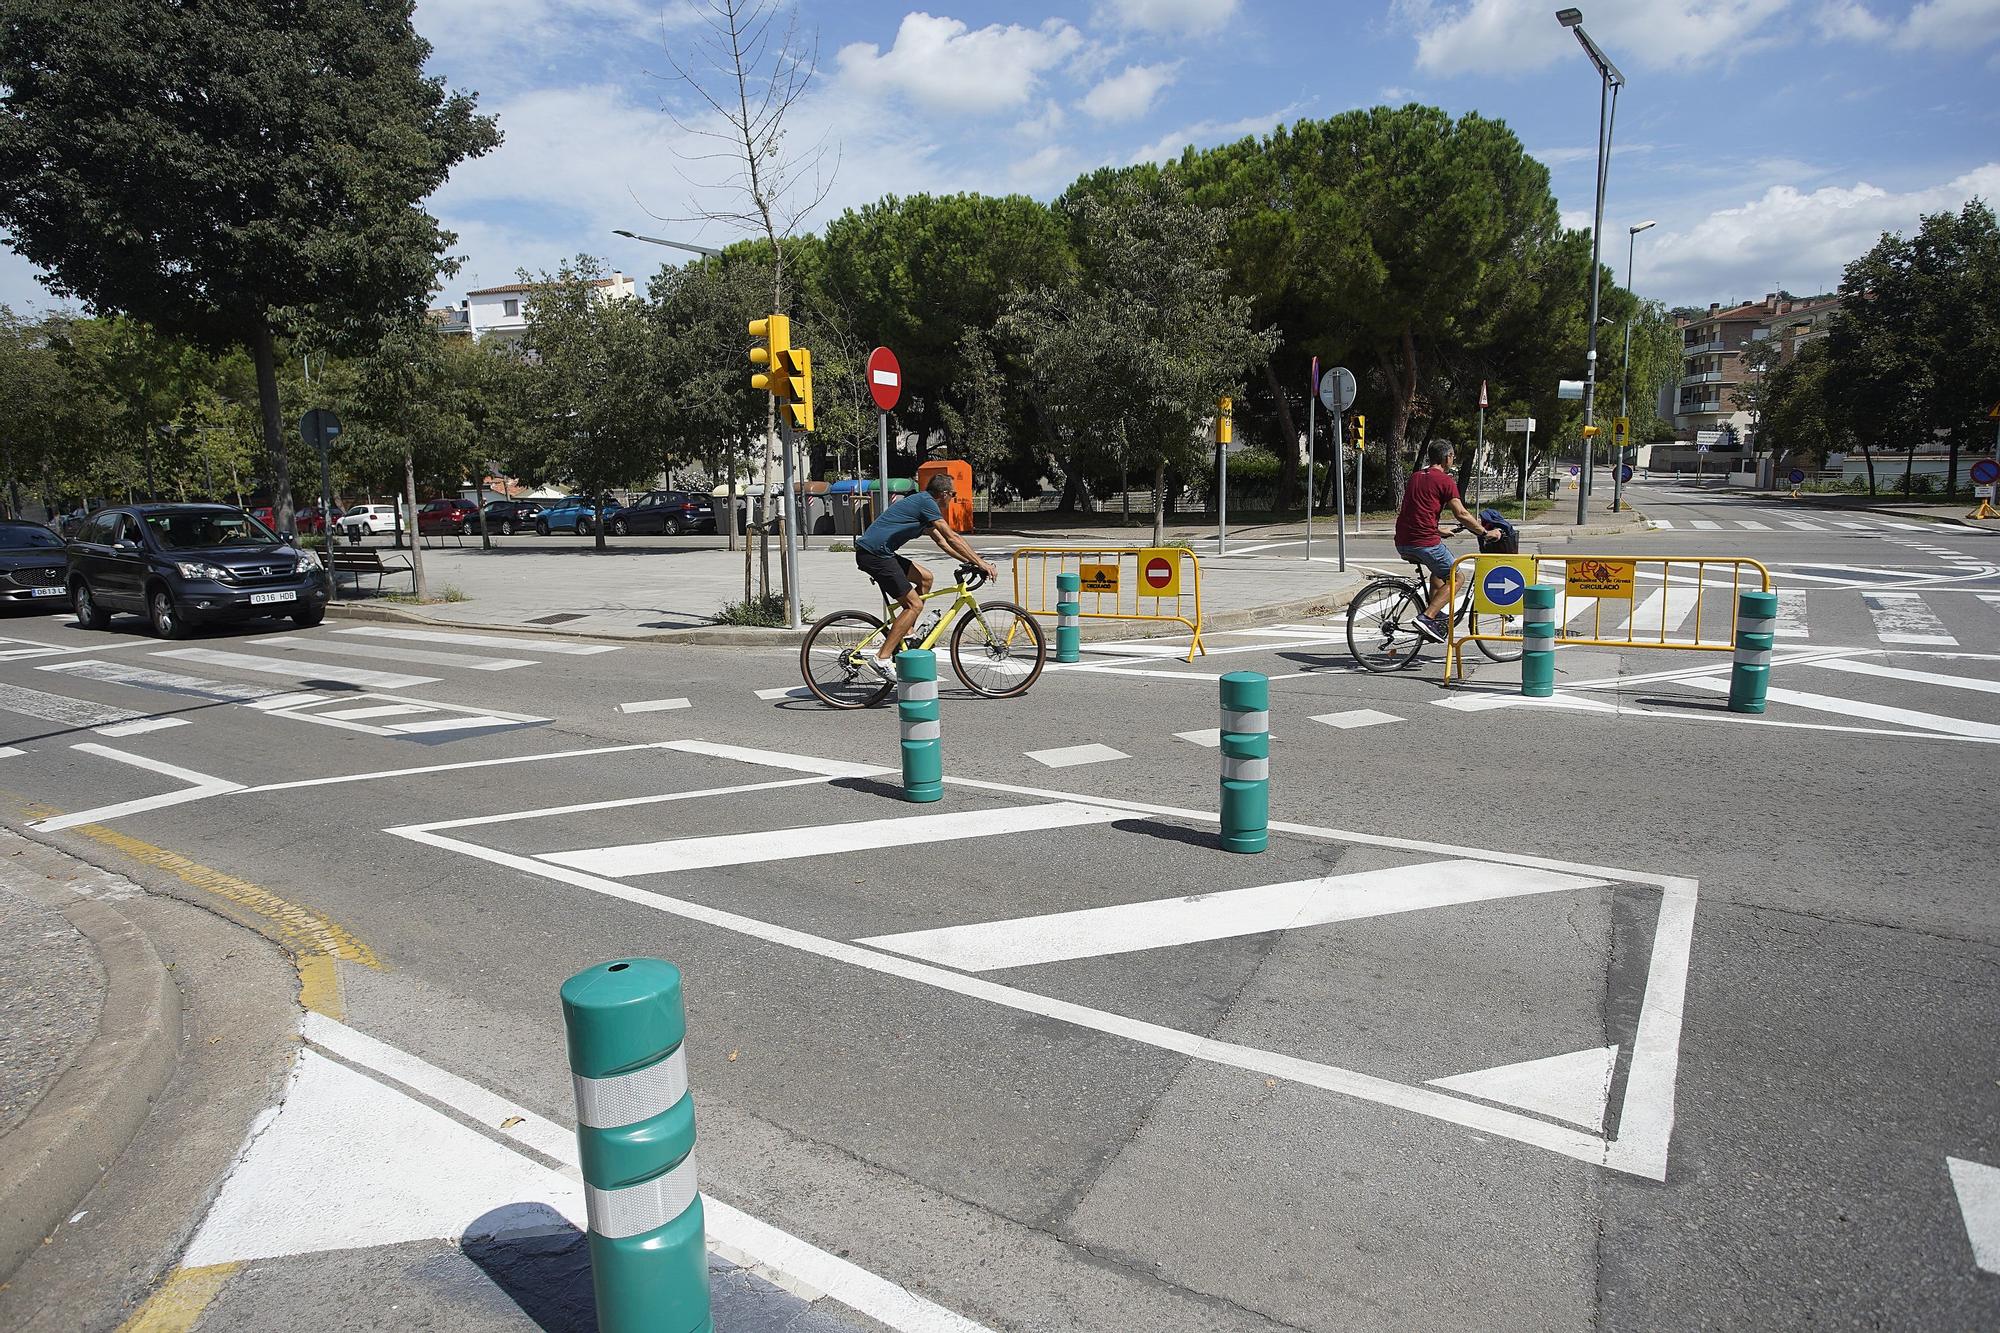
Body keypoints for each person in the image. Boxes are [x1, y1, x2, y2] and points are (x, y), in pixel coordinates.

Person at [852, 473, 997, 683]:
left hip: (880, 553)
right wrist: (982, 563)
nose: (953, 498)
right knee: (915, 606)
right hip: (875, 555)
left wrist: (974, 561)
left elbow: (943, 543)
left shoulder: (924, 506)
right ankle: (881, 659)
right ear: (943, 494)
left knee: (926, 578)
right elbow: (952, 536)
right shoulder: (927, 503)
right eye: (953, 494)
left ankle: (908, 634)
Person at [1393, 440, 1499, 643]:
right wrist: (1484, 532)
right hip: (1424, 542)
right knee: (1457, 577)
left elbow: (1414, 511)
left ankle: (1435, 615)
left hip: (1403, 540)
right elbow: (1461, 513)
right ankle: (1428, 616)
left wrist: (1439, 529)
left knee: (1438, 571)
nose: (1453, 459)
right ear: (1446, 457)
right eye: (1452, 456)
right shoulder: (1445, 480)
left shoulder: (1416, 476)